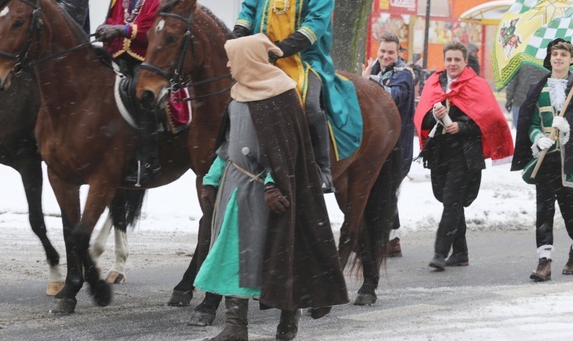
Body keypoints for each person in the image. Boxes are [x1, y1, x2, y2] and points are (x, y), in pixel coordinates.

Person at [195, 34, 348, 341]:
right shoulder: (237, 95)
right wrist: (212, 179)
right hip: (234, 190)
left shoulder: (281, 96)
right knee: (231, 254)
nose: (227, 64)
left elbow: (286, 152)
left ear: (247, 59)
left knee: (281, 254)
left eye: (231, 57)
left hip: (269, 195)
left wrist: (272, 184)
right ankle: (236, 326)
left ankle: (289, 320)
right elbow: (226, 146)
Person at [232, 0, 362, 194]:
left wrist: (284, 49)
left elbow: (316, 24)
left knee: (312, 108)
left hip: (305, 61)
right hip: (261, 58)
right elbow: (249, 9)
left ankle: (322, 169)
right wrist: (240, 36)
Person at [96, 0, 194, 186]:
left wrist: (126, 29)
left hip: (150, 56)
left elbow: (162, 28)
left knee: (143, 94)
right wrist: (108, 27)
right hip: (118, 51)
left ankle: (148, 162)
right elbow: (117, 13)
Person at [511, 38, 573, 282]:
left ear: (572, 59)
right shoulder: (537, 88)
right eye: (555, 54)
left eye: (564, 54)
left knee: (571, 211)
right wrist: (537, 137)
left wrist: (569, 131)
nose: (559, 58)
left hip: (571, 160)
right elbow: (530, 123)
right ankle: (544, 261)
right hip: (545, 160)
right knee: (544, 211)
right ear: (549, 58)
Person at [414, 41, 513, 270]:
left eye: (457, 59)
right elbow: (423, 119)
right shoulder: (434, 83)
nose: (452, 63)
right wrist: (435, 114)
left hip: (465, 154)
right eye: (449, 59)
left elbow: (488, 122)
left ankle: (440, 253)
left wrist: (461, 126)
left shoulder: (476, 85)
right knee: (448, 199)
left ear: (465, 61)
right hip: (439, 153)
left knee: (451, 200)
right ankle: (460, 253)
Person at [361, 32, 415, 257]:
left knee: (387, 191)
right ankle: (390, 239)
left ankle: (389, 240)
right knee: (381, 191)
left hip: (397, 144)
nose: (385, 55)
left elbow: (392, 96)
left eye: (390, 52)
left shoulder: (405, 75)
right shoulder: (374, 69)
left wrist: (366, 81)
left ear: (398, 53)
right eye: (382, 51)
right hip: (378, 143)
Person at [505, 64, 548, 129]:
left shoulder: (521, 61)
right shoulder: (546, 65)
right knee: (536, 130)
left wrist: (509, 99)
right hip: (537, 103)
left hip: (519, 102)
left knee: (520, 131)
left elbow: (512, 82)